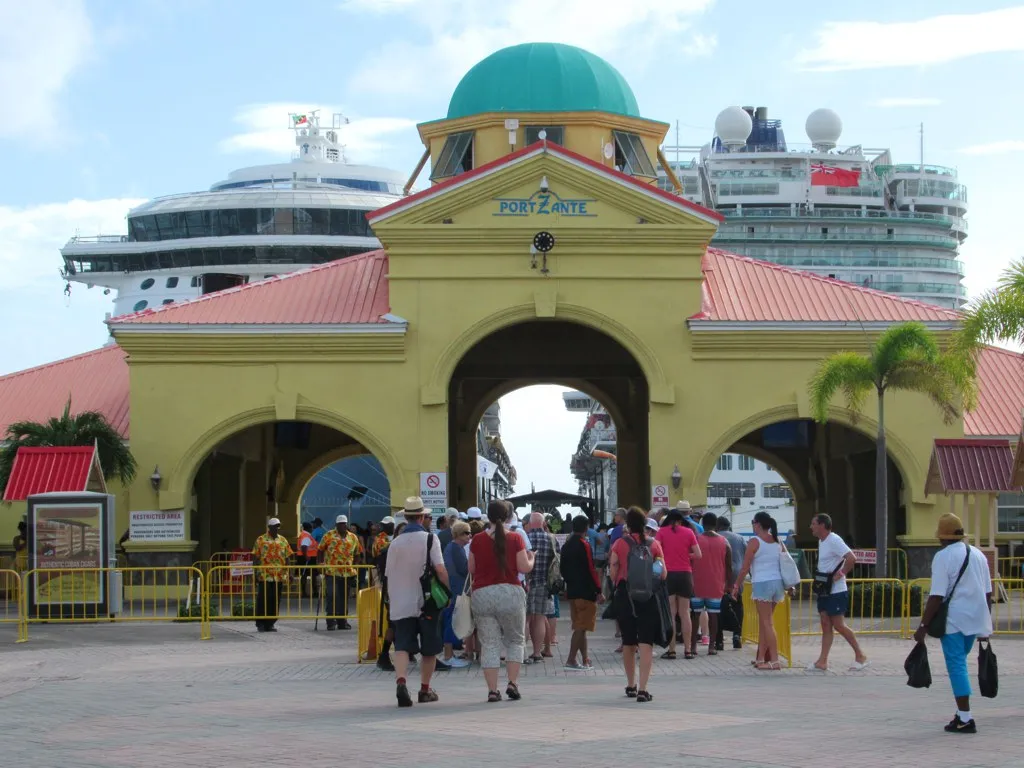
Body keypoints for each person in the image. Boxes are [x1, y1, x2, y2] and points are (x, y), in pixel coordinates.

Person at [913, 513, 993, 734]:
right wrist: (985, 624)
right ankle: (961, 714)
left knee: (957, 666)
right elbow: (988, 593)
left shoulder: (943, 557)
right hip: (975, 619)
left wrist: (923, 626)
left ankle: (966, 718)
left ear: (941, 537)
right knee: (961, 664)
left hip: (954, 620)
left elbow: (937, 595)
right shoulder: (978, 554)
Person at [385, 497, 450, 708]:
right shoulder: (430, 539)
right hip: (427, 602)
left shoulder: (394, 543)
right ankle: (424, 689)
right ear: (422, 517)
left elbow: (388, 574)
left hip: (400, 602)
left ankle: (401, 681)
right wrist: (447, 592)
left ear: (405, 516)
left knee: (402, 645)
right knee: (429, 648)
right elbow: (440, 569)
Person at [469, 500, 534, 702]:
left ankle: (492, 690)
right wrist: (532, 559)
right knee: (515, 640)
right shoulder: (515, 538)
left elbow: (471, 569)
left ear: (487, 517)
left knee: (489, 644)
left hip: (483, 595)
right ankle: (512, 683)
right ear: (508, 517)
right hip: (510, 593)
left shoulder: (477, 540)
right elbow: (523, 567)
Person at [610, 507, 666, 702]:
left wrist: (616, 581)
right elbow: (663, 573)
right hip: (647, 596)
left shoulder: (619, 543)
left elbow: (614, 568)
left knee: (628, 641)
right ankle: (643, 688)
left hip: (625, 594)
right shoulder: (654, 544)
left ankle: (630, 685)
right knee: (645, 642)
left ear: (628, 524)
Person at [808, 513, 868, 672]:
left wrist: (840, 574)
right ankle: (822, 661)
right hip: (825, 589)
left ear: (822, 525)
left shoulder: (834, 539)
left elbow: (851, 558)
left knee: (839, 625)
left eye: (813, 524)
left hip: (836, 590)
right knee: (825, 623)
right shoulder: (822, 541)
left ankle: (860, 655)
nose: (811, 527)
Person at [731, 511, 785, 670]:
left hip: (762, 583)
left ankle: (774, 660)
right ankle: (761, 658)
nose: (752, 525)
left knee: (767, 623)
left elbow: (744, 568)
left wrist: (736, 586)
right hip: (777, 584)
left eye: (753, 522)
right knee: (764, 622)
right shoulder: (778, 541)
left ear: (758, 524)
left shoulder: (755, 541)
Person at [655, 507, 702, 659]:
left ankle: (672, 649)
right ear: (680, 520)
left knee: (671, 614)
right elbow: (698, 554)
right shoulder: (688, 532)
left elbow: (655, 551)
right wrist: (686, 555)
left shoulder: (661, 532)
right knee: (685, 613)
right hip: (685, 575)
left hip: (668, 575)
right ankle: (688, 650)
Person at [560, 514, 604, 670]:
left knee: (581, 626)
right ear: (586, 528)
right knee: (581, 627)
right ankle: (571, 659)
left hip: (572, 591)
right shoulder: (584, 545)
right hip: (585, 591)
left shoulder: (566, 545)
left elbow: (562, 569)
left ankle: (585, 659)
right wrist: (599, 589)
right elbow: (591, 569)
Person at [689, 512, 732, 657]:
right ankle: (711, 646)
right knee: (714, 616)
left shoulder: (696, 540)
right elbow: (729, 565)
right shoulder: (724, 542)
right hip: (716, 583)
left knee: (695, 615)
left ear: (702, 524)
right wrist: (729, 584)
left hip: (696, 583)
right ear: (716, 525)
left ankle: (693, 646)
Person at [317, 515, 363, 631]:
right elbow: (320, 550)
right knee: (332, 595)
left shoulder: (353, 537)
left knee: (344, 598)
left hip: (347, 572)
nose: (342, 525)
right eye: (340, 524)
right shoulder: (328, 535)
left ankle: (342, 622)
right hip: (331, 571)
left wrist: (355, 566)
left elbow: (358, 553)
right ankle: (331, 622)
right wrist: (320, 563)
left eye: (344, 523)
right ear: (336, 525)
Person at [251, 517, 293, 632]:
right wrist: (254, 573)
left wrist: (290, 572)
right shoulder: (261, 539)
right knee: (263, 599)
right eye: (274, 526)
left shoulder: (283, 540)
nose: (276, 528)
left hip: (278, 576)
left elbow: (287, 557)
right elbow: (255, 557)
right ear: (269, 527)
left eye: (278, 526)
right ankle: (260, 623)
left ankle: (270, 623)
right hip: (265, 575)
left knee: (275, 600)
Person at [441, 521, 472, 668]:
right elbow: (463, 569)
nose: (469, 536)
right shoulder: (456, 548)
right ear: (458, 534)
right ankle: (448, 655)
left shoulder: (452, 547)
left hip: (454, 589)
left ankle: (449, 654)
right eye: (466, 533)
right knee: (451, 622)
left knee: (451, 620)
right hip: (456, 589)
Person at [525, 512, 555, 661]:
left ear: (530, 524)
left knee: (526, 618)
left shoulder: (525, 538)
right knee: (540, 618)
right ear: (544, 524)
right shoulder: (550, 539)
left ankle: (522, 652)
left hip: (526, 583)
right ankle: (537, 652)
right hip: (543, 582)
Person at [716, 517, 746, 650]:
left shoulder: (716, 537)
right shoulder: (740, 538)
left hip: (720, 576)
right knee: (738, 605)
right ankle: (736, 636)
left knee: (718, 608)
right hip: (737, 577)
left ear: (718, 526)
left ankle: (719, 639)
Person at [296, 521, 319, 598]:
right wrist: (306, 556)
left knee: (305, 575)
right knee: (309, 575)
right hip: (308, 558)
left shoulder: (303, 535)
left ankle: (306, 592)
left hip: (305, 557)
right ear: (309, 528)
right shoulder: (306, 536)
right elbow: (304, 547)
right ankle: (312, 592)